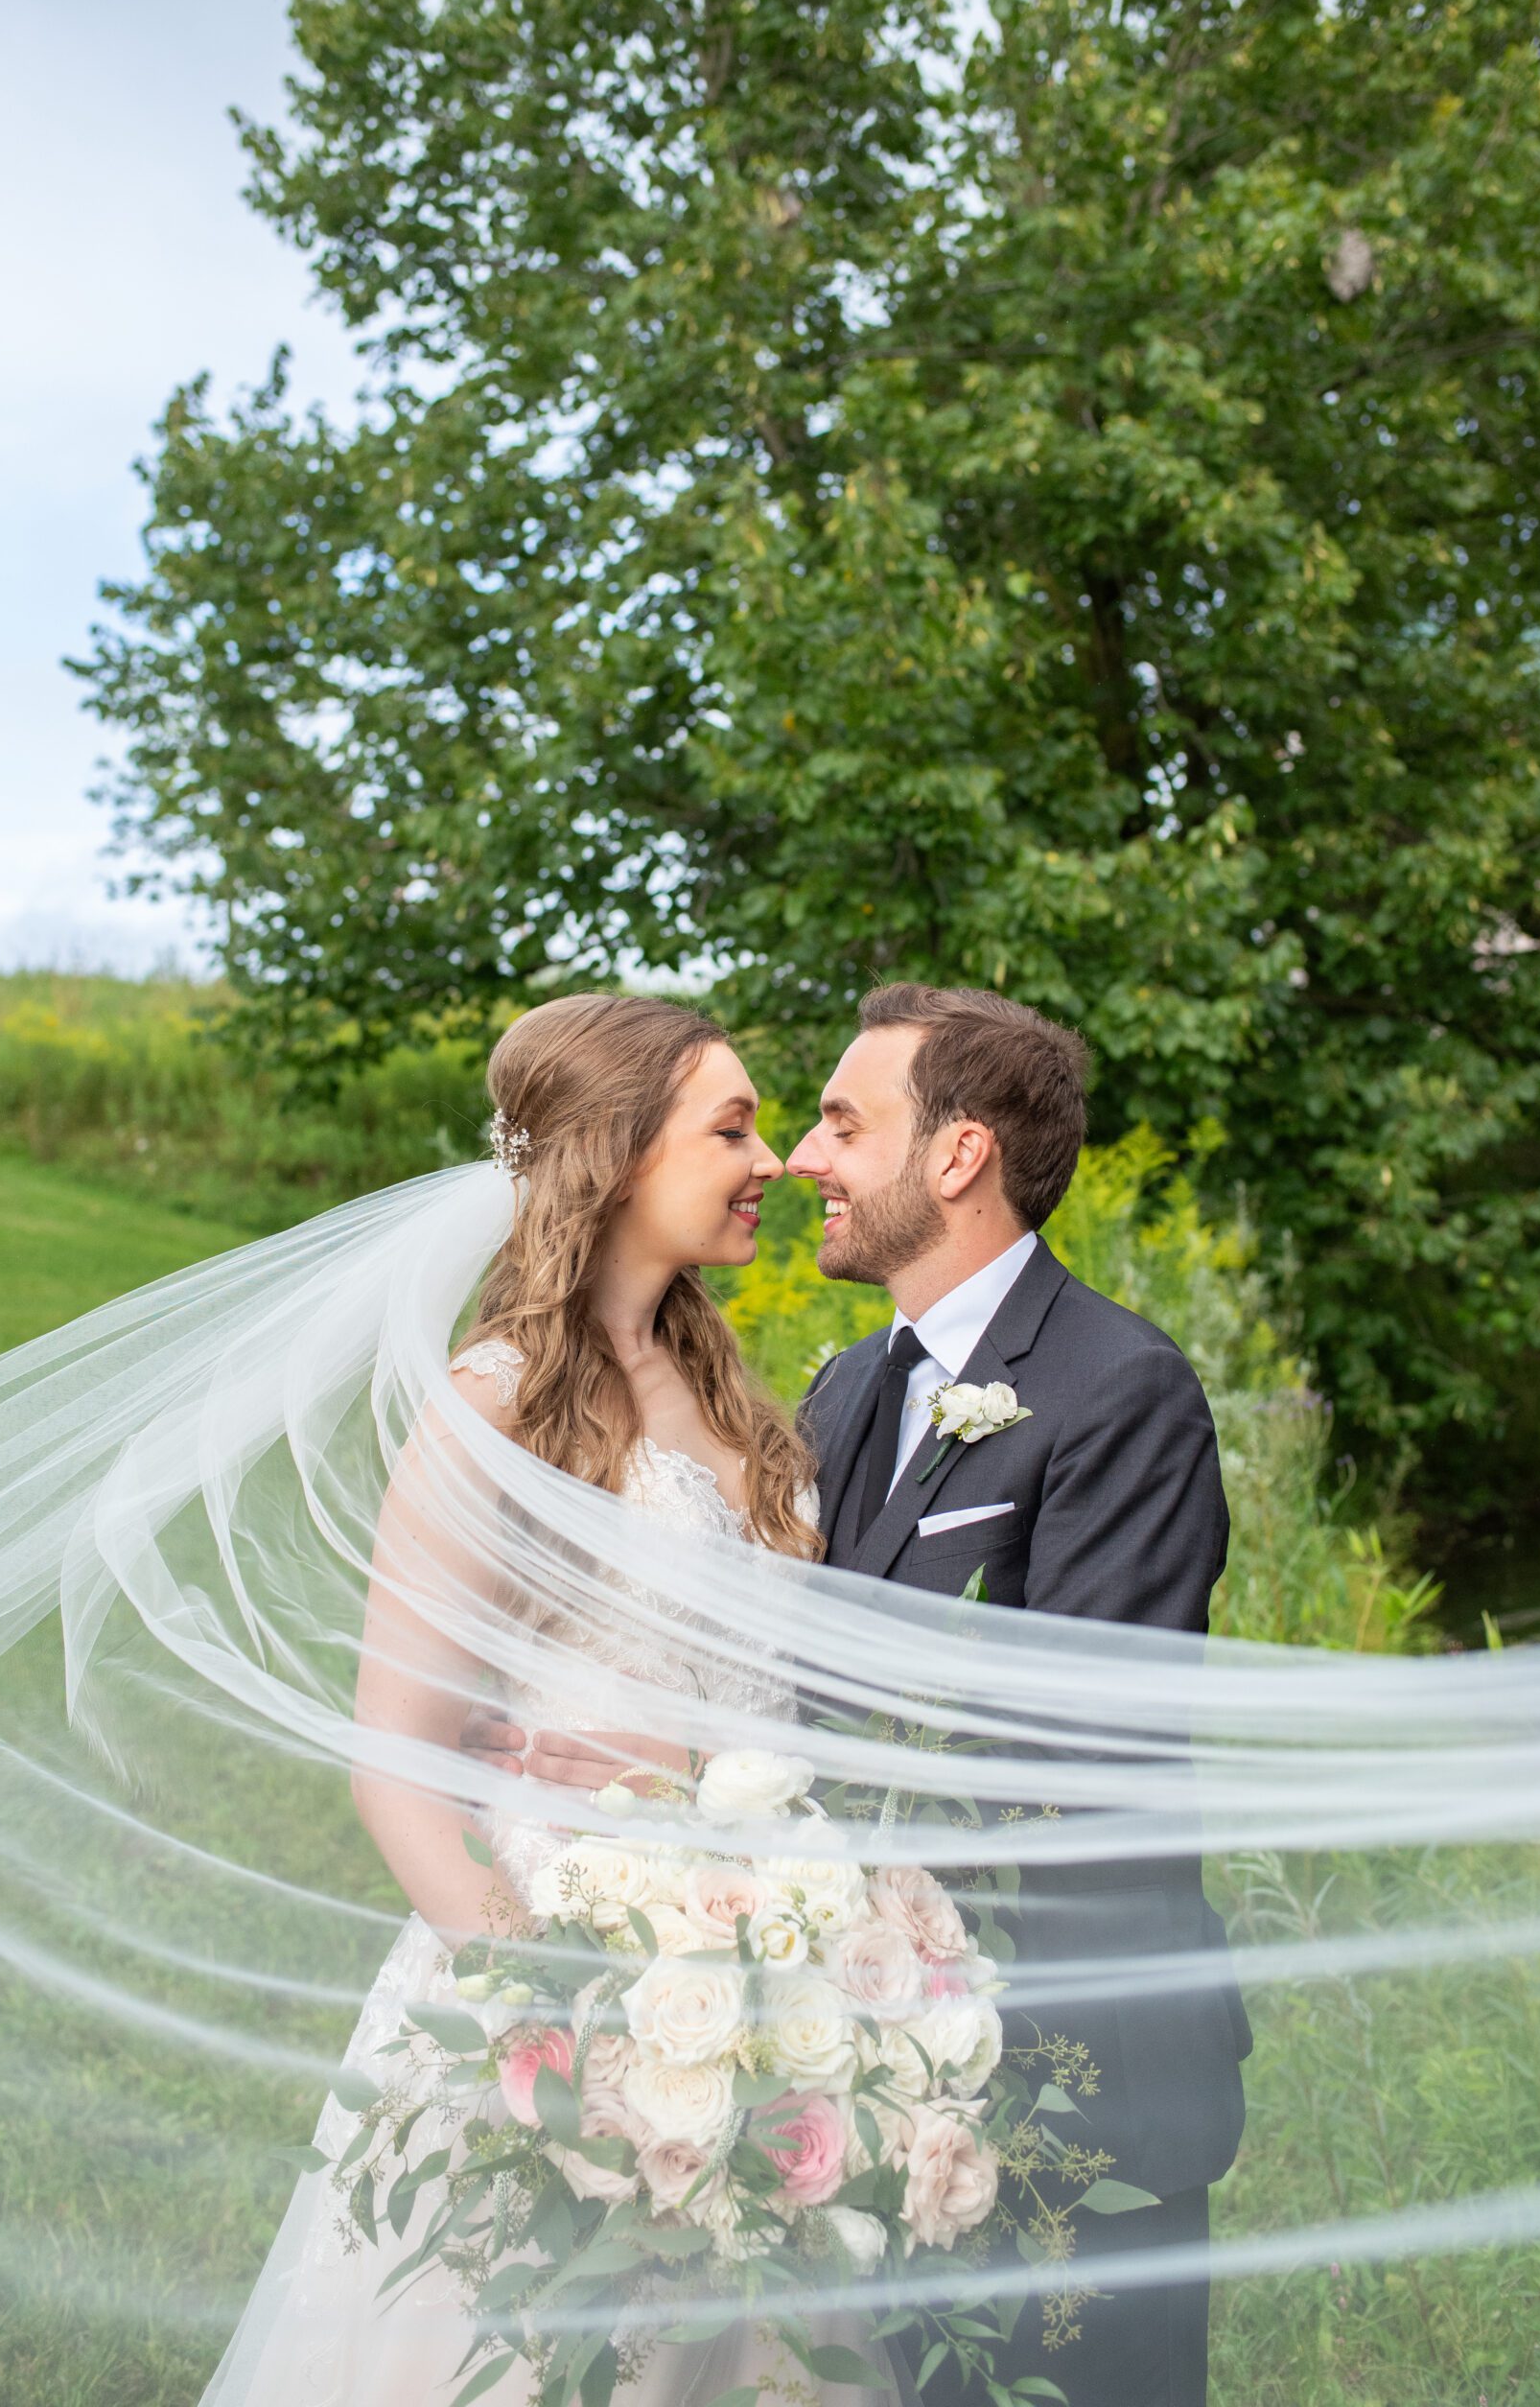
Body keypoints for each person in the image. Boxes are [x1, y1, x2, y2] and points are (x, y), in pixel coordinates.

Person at [201, 993, 914, 2407]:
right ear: (615, 1156)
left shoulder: (728, 1397)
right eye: (731, 1127)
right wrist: (561, 2018)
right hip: (559, 1985)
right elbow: (396, 1765)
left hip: (758, 1980)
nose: (770, 1159)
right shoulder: (496, 1404)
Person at [785, 983, 1252, 2407]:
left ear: (957, 1157)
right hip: (877, 2040)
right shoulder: (847, 1387)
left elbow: (1075, 1748)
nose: (807, 1157)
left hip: (1069, 2074)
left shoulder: (1122, 1391)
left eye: (841, 1122)